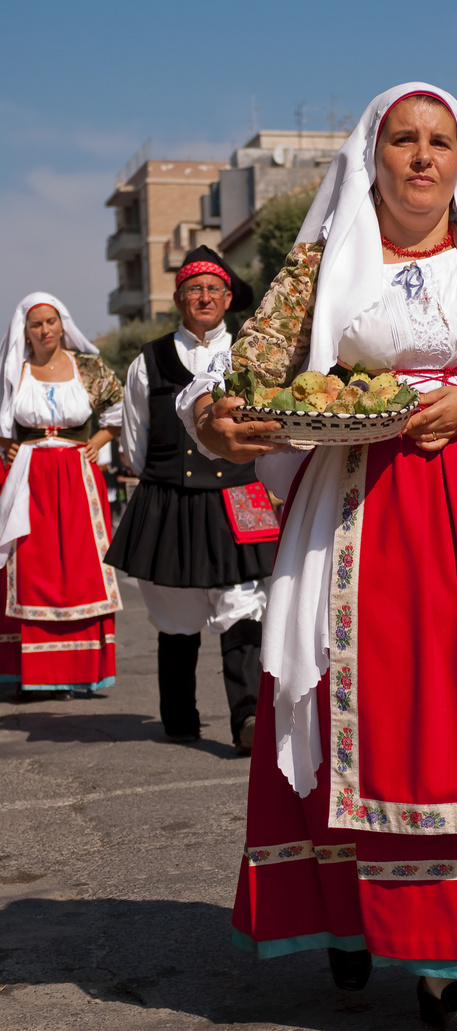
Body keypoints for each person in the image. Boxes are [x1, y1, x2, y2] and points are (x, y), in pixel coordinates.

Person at [178, 84, 457, 1031]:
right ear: (371, 156)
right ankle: (350, 912)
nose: (422, 158)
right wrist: (219, 420)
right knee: (355, 713)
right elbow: (239, 378)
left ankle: (452, 965)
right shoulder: (324, 263)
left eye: (440, 142)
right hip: (354, 517)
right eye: (403, 140)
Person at [105, 247, 278, 750]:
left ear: (228, 298)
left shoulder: (252, 355)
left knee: (245, 604)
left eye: (213, 289)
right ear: (179, 298)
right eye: (193, 289)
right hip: (171, 496)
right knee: (175, 612)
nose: (204, 297)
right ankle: (179, 719)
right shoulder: (148, 360)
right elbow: (134, 443)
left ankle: (248, 719)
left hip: (239, 494)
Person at [0, 293, 123, 698]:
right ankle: (31, 672)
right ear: (26, 330)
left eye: (51, 321)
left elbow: (120, 408)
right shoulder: (12, 371)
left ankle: (79, 669)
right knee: (31, 567)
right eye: (36, 324)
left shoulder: (86, 367)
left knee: (80, 567)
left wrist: (100, 439)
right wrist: (7, 446)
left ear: (62, 323)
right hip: (28, 476)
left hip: (75, 475)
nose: (44, 330)